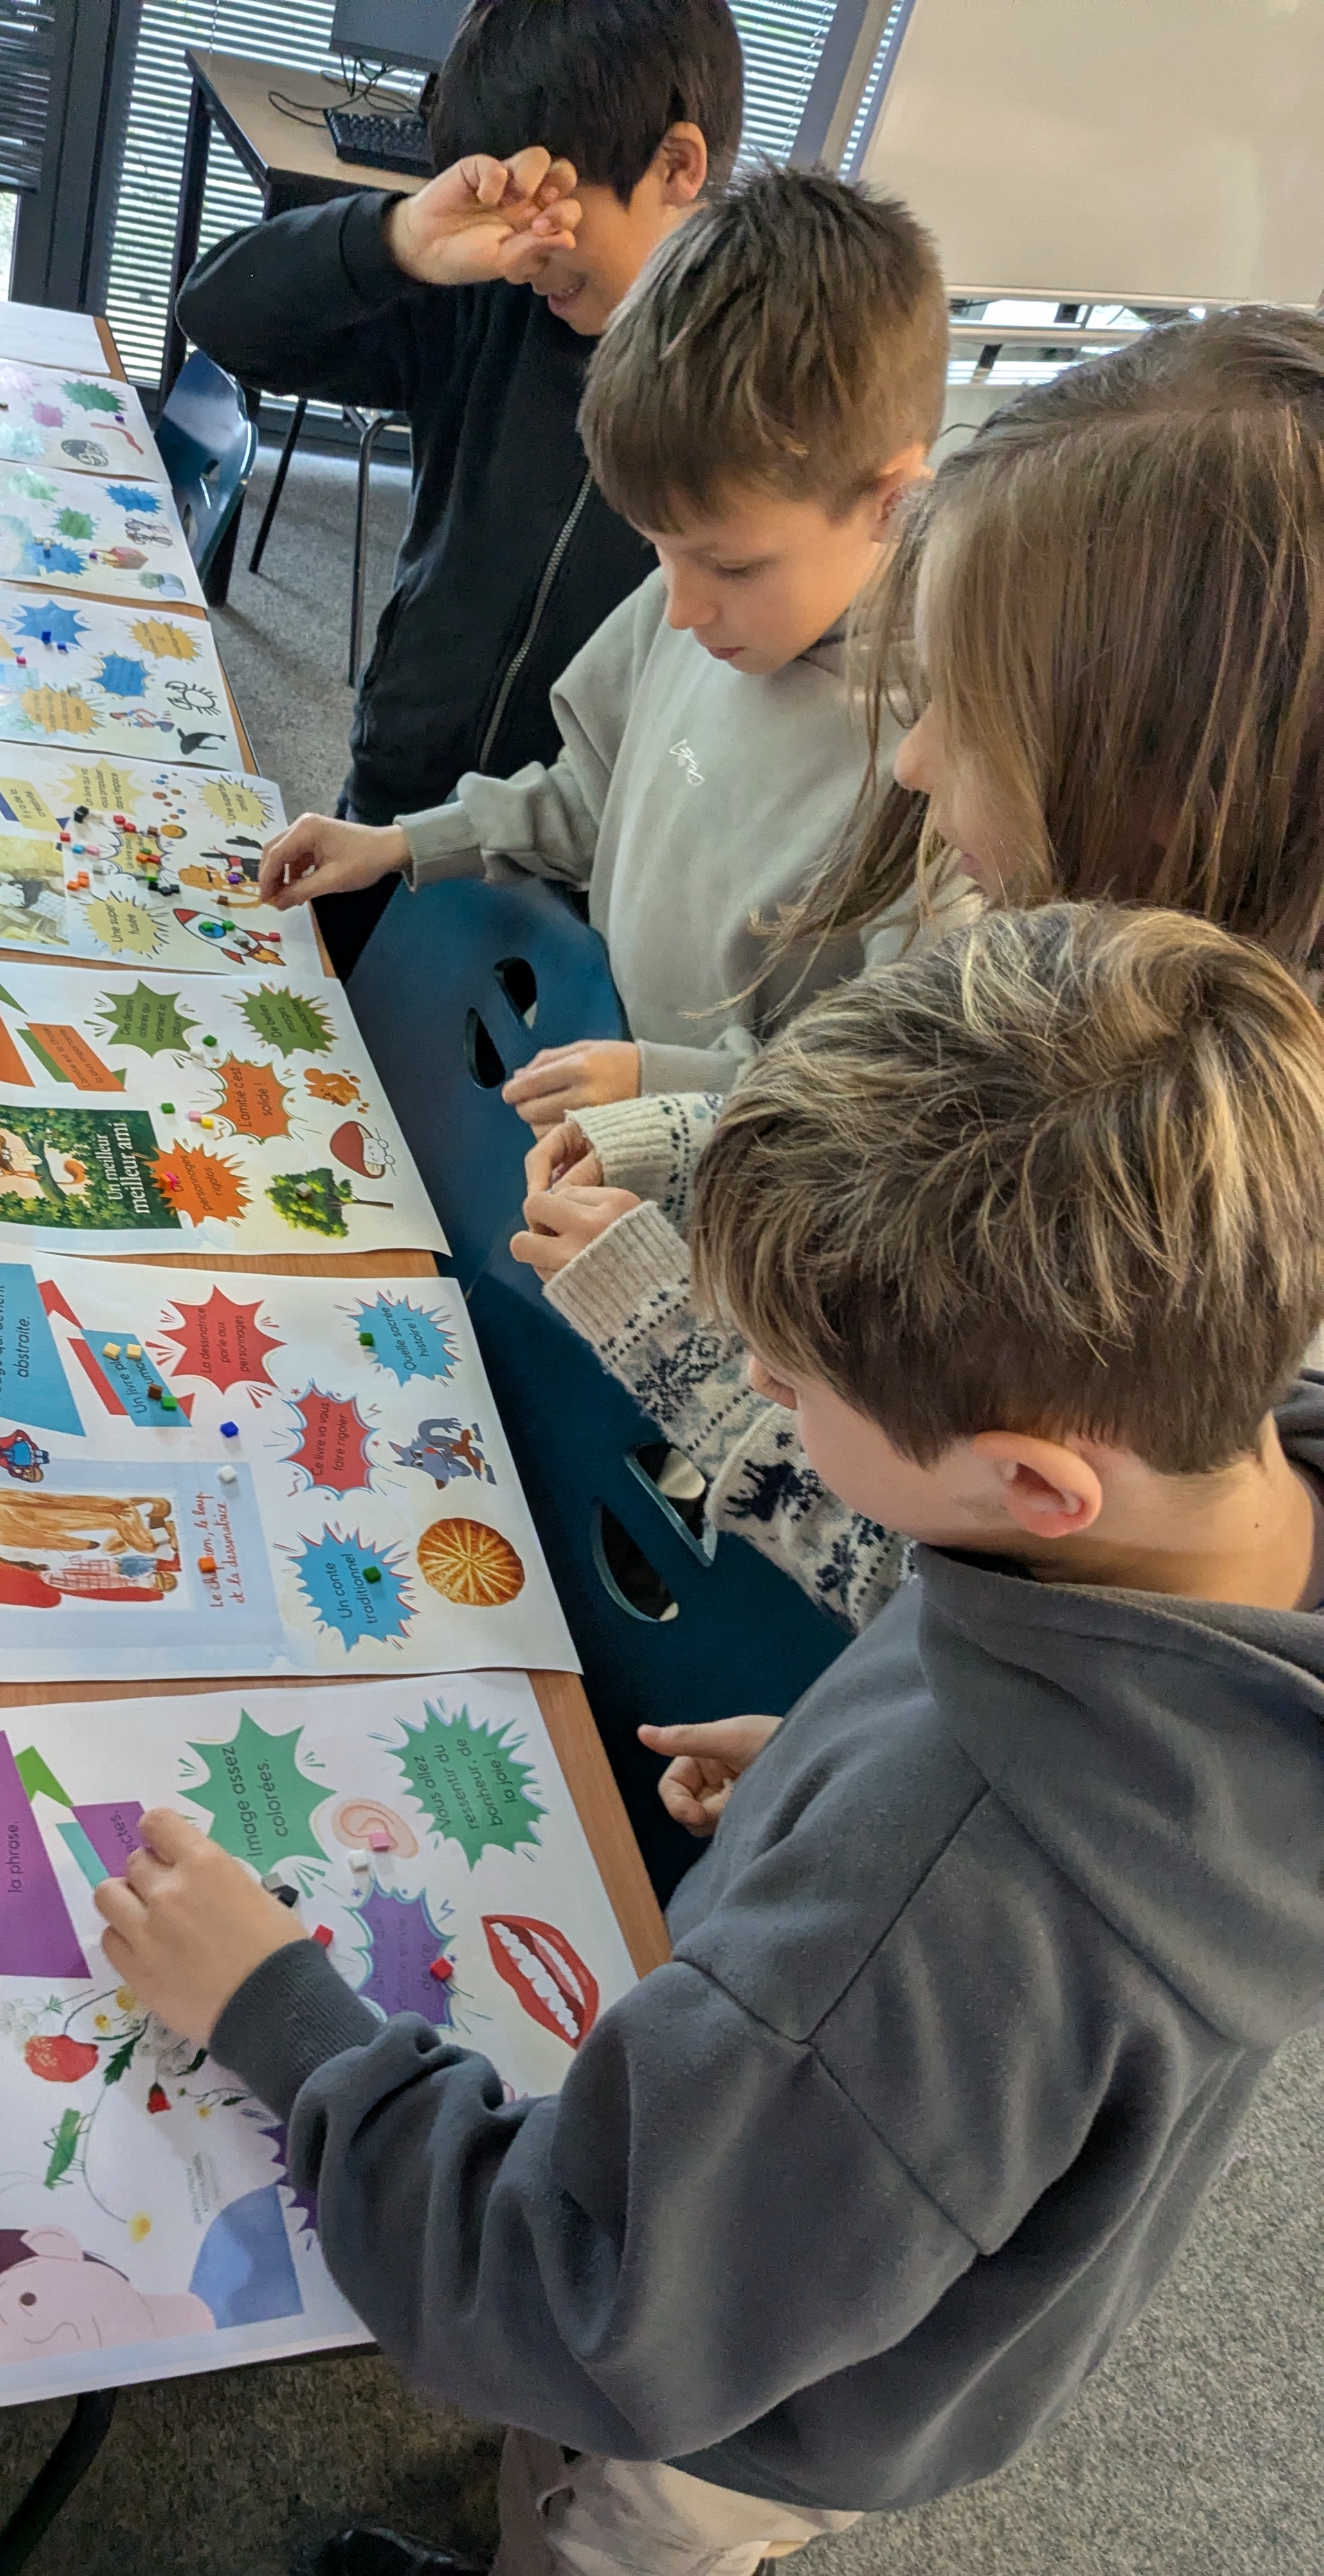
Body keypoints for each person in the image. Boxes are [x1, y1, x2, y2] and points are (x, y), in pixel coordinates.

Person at [96, 903, 1324, 2576]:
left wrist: (276, 2016)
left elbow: (577, 2303)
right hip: (874, 2241)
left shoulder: (945, 1909)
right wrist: (836, 1756)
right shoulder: (1217, 1513)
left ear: (1037, 1484)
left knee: (593, 2536)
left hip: (729, 2411)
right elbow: (1005, 1717)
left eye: (794, 1385)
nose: (754, 1381)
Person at [513, 305, 1324, 1619]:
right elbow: (932, 1166)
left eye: (972, 715)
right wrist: (695, 1135)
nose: (911, 759)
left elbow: (952, 1566)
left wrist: (671, 1329)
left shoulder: (1236, 1211)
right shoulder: (1127, 1003)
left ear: (1170, 791)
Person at [259, 165, 954, 1108]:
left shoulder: (939, 771)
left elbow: (882, 1102)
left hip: (714, 1162)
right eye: (660, 551)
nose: (681, 609)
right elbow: (594, 797)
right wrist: (401, 843)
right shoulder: (695, 604)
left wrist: (669, 1089)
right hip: (593, 1085)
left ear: (892, 503)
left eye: (731, 567)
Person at [176, 0, 744, 973]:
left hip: (574, 879)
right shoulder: (493, 296)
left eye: (547, 206)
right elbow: (220, 314)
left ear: (676, 167)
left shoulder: (759, 381)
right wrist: (397, 240)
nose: (521, 247)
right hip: (393, 809)